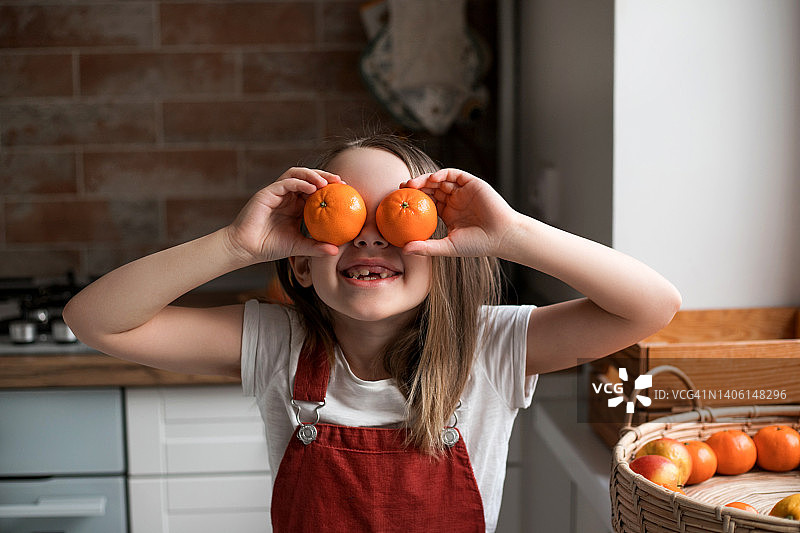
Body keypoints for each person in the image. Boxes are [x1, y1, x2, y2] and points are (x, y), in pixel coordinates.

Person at [63, 134, 681, 533]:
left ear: (444, 253)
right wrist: (235, 245)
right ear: (302, 262)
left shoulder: (491, 349)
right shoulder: (276, 346)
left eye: (395, 214)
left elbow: (650, 306)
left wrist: (513, 233)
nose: (369, 234)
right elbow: (94, 320)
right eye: (345, 211)